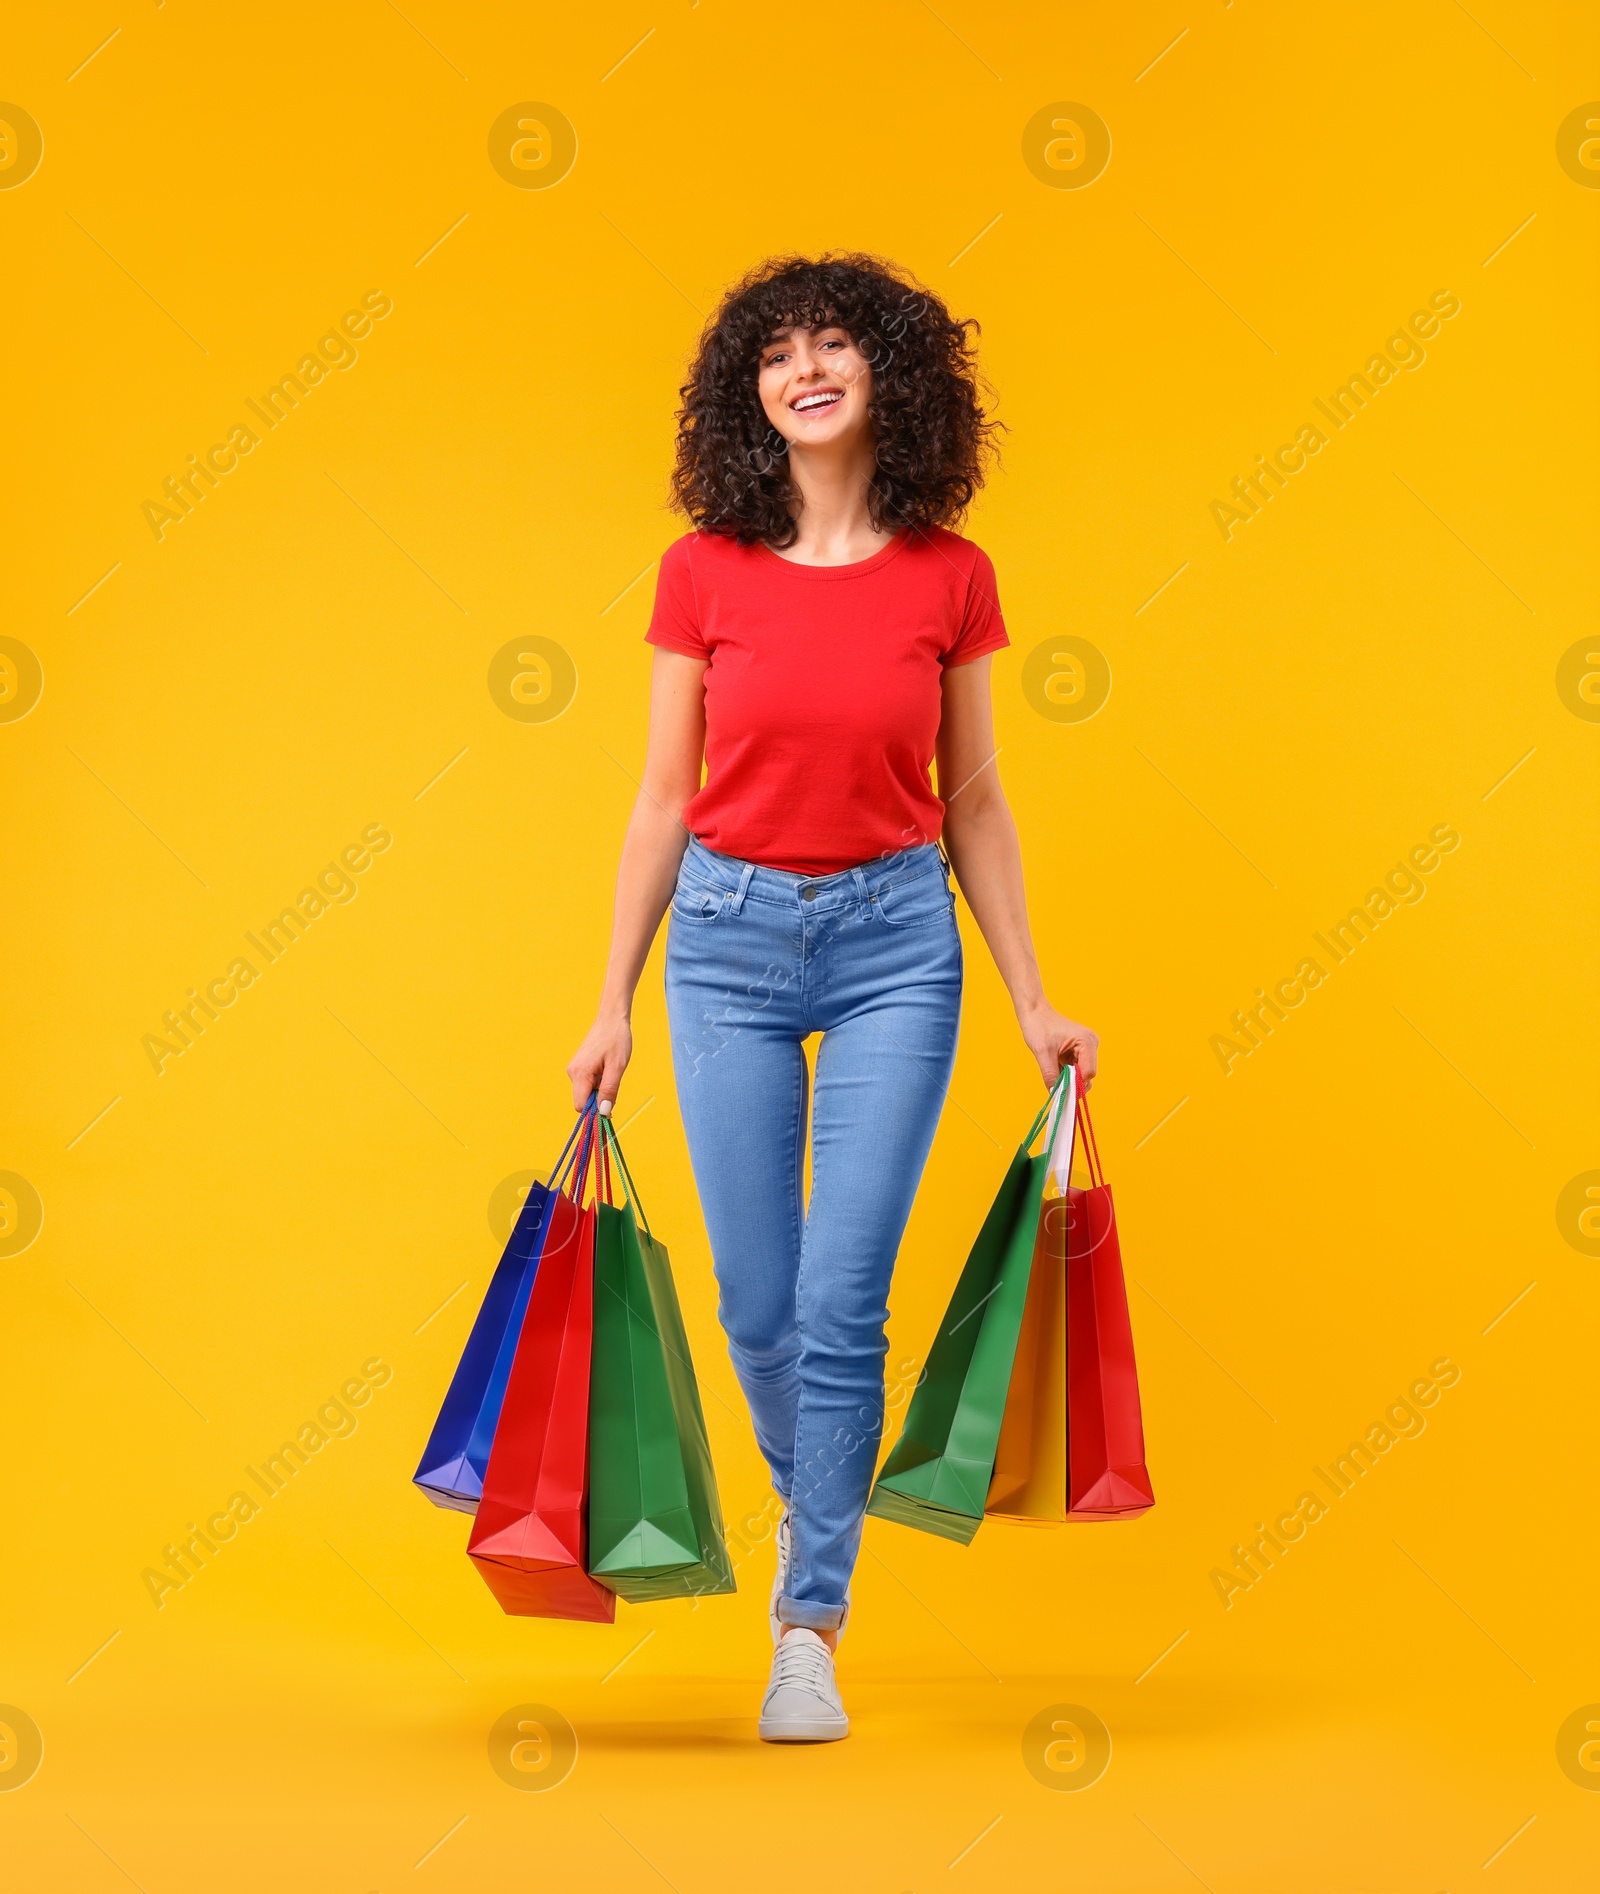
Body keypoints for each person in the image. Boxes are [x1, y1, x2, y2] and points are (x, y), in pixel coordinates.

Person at [567, 253, 1098, 1743]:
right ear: (749, 388)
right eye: (778, 350)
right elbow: (663, 796)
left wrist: (1032, 999)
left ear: (892, 379)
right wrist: (608, 1000)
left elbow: (975, 803)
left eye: (836, 346)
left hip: (894, 950)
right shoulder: (701, 568)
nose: (805, 368)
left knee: (842, 1299)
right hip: (727, 944)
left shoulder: (951, 573)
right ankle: (835, 1507)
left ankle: (810, 1626)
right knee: (757, 1305)